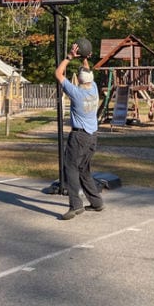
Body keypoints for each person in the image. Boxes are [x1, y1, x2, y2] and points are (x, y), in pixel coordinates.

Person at [55, 42, 104, 220]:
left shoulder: (76, 93)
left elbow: (58, 74)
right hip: (93, 137)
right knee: (84, 170)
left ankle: (76, 205)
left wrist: (69, 57)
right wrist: (84, 57)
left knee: (71, 169)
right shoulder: (94, 89)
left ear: (79, 80)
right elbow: (86, 71)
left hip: (79, 137)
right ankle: (97, 202)